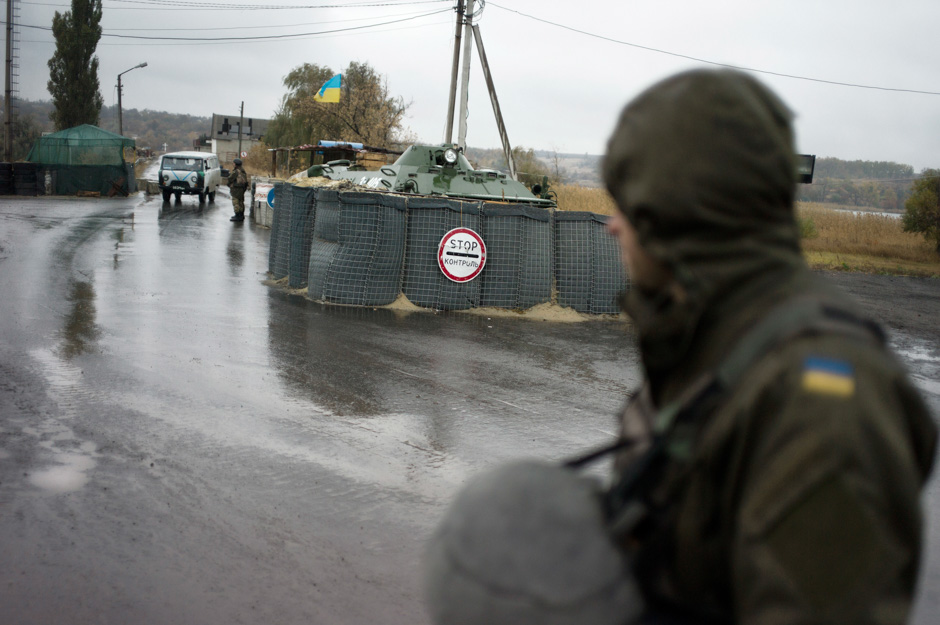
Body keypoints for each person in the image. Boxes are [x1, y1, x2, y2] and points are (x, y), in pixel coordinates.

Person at [602, 68, 937, 624]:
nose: (613, 226)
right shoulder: (714, 336)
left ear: (676, 210)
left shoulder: (820, 402)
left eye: (627, 203)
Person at [228, 158, 250, 222]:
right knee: (241, 202)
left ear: (236, 164)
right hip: (241, 189)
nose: (233, 164)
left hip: (236, 189)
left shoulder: (236, 171)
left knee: (236, 202)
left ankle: (237, 215)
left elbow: (230, 178)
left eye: (233, 163)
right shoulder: (242, 170)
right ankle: (241, 215)